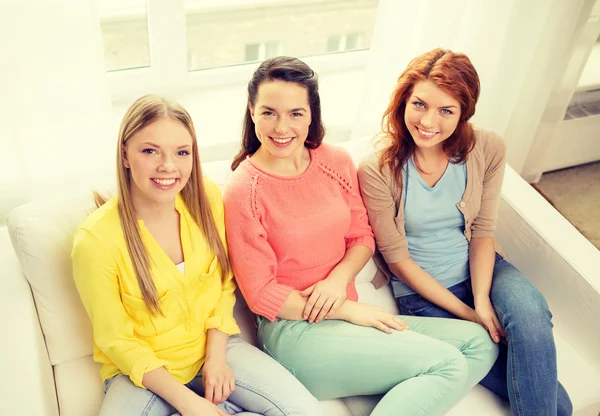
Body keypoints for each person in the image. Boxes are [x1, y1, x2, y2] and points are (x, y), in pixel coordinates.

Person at [223, 56, 499, 416]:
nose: (281, 127)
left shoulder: (334, 161)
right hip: (297, 335)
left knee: (479, 343)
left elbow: (362, 237)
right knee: (447, 363)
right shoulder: (244, 189)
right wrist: (348, 309)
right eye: (269, 112)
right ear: (252, 111)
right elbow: (261, 295)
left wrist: (338, 282)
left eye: (296, 113)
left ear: (312, 114)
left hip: (349, 319)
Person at [71, 95, 321, 416]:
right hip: (141, 373)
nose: (168, 167)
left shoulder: (205, 197)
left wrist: (216, 360)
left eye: (181, 152)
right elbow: (116, 341)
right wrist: (189, 403)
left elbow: (222, 285)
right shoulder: (94, 241)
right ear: (125, 155)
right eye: (150, 151)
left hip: (215, 349)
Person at [357, 48, 573, 416]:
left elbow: (483, 231)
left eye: (446, 110)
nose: (428, 121)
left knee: (531, 314)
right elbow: (397, 260)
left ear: (463, 112)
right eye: (420, 104)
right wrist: (469, 313)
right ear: (402, 102)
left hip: (486, 270)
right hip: (424, 295)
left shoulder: (487, 147)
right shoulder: (378, 167)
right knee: (560, 405)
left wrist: (483, 299)